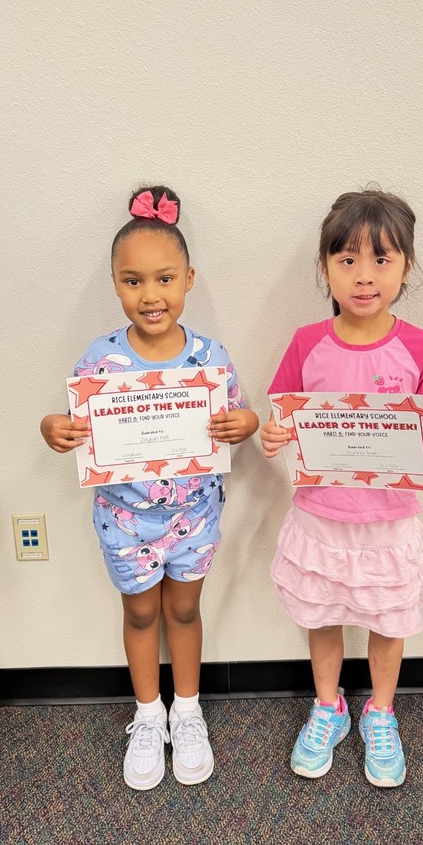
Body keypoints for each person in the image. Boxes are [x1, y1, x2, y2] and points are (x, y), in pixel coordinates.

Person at [41, 185, 258, 791]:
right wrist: (51, 427)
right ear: (115, 284)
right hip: (126, 519)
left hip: (197, 513)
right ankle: (147, 714)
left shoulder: (211, 357)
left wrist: (248, 423)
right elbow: (76, 426)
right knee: (140, 613)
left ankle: (186, 711)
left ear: (189, 278)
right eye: (133, 280)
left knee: (184, 609)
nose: (150, 294)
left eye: (164, 278)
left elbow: (237, 418)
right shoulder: (99, 358)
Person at [260, 188, 423, 787]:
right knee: (322, 616)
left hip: (388, 518)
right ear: (325, 267)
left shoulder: (421, 347)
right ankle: (329, 706)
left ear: (407, 268)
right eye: (347, 259)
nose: (364, 276)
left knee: (387, 620)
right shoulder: (306, 343)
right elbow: (286, 418)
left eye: (382, 259)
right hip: (320, 514)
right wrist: (275, 438)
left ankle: (380, 712)